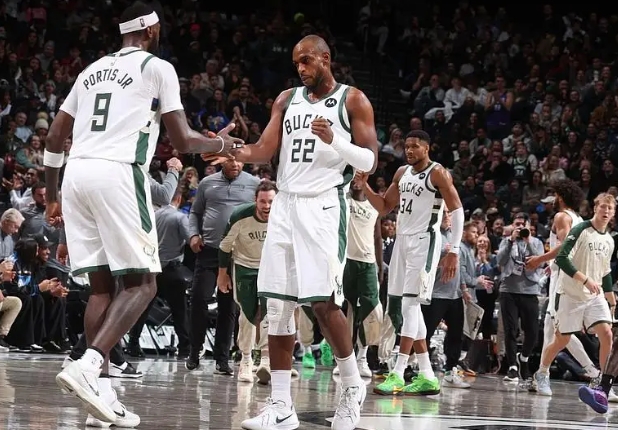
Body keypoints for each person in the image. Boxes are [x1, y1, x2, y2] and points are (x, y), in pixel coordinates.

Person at [44, 2, 240, 427]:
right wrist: (222, 146)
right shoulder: (157, 68)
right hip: (117, 172)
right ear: (151, 30)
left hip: (76, 174)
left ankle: (101, 395)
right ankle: (88, 364)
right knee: (144, 283)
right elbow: (183, 141)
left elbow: (56, 135)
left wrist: (51, 195)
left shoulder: (91, 69)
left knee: (102, 288)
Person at [206, 34, 378, 430]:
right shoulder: (286, 99)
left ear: (325, 58)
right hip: (285, 203)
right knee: (277, 305)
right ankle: (281, 405)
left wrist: (335, 139)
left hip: (323, 205)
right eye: (296, 62)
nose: (300, 68)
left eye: (307, 61)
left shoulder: (353, 100)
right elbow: (263, 150)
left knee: (322, 303)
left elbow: (369, 160)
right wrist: (230, 149)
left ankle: (352, 386)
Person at [359, 129, 464, 396]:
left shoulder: (438, 173)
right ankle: (427, 375)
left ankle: (398, 372)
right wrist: (365, 186)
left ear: (427, 148)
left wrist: (454, 250)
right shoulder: (401, 173)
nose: (409, 150)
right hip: (402, 241)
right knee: (406, 307)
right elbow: (384, 207)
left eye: (415, 146)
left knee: (409, 305)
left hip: (424, 240)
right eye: (406, 146)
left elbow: (457, 210)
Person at [532, 193, 615, 407]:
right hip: (570, 293)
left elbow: (605, 271)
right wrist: (585, 279)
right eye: (603, 206)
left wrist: (611, 297)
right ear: (595, 208)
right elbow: (561, 258)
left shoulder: (609, 240)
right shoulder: (580, 230)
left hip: (594, 295)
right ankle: (542, 373)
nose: (606, 211)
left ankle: (602, 384)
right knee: (562, 339)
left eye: (610, 208)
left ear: (613, 213)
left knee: (607, 334)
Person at [525, 180, 600, 388]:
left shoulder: (561, 217)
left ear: (561, 197)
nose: (553, 200)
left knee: (561, 330)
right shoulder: (579, 219)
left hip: (563, 280)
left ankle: (594, 373)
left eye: (555, 196)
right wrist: (552, 265)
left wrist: (539, 259)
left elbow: (566, 246)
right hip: (572, 275)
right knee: (553, 328)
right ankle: (541, 377)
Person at [218, 181, 277, 384]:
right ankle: (246, 359)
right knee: (247, 314)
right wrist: (222, 275)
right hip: (244, 266)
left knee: (270, 312)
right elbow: (225, 246)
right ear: (255, 200)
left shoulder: (282, 216)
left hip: (270, 268)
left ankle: (267, 360)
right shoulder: (240, 215)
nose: (267, 206)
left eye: (271, 201)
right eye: (263, 201)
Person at [332, 174, 383, 378]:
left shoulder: (374, 205)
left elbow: (378, 237)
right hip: (346, 261)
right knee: (346, 312)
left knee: (372, 311)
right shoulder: (344, 199)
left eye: (359, 176)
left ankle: (362, 358)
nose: (355, 180)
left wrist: (380, 267)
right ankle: (344, 359)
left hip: (368, 263)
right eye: (352, 176)